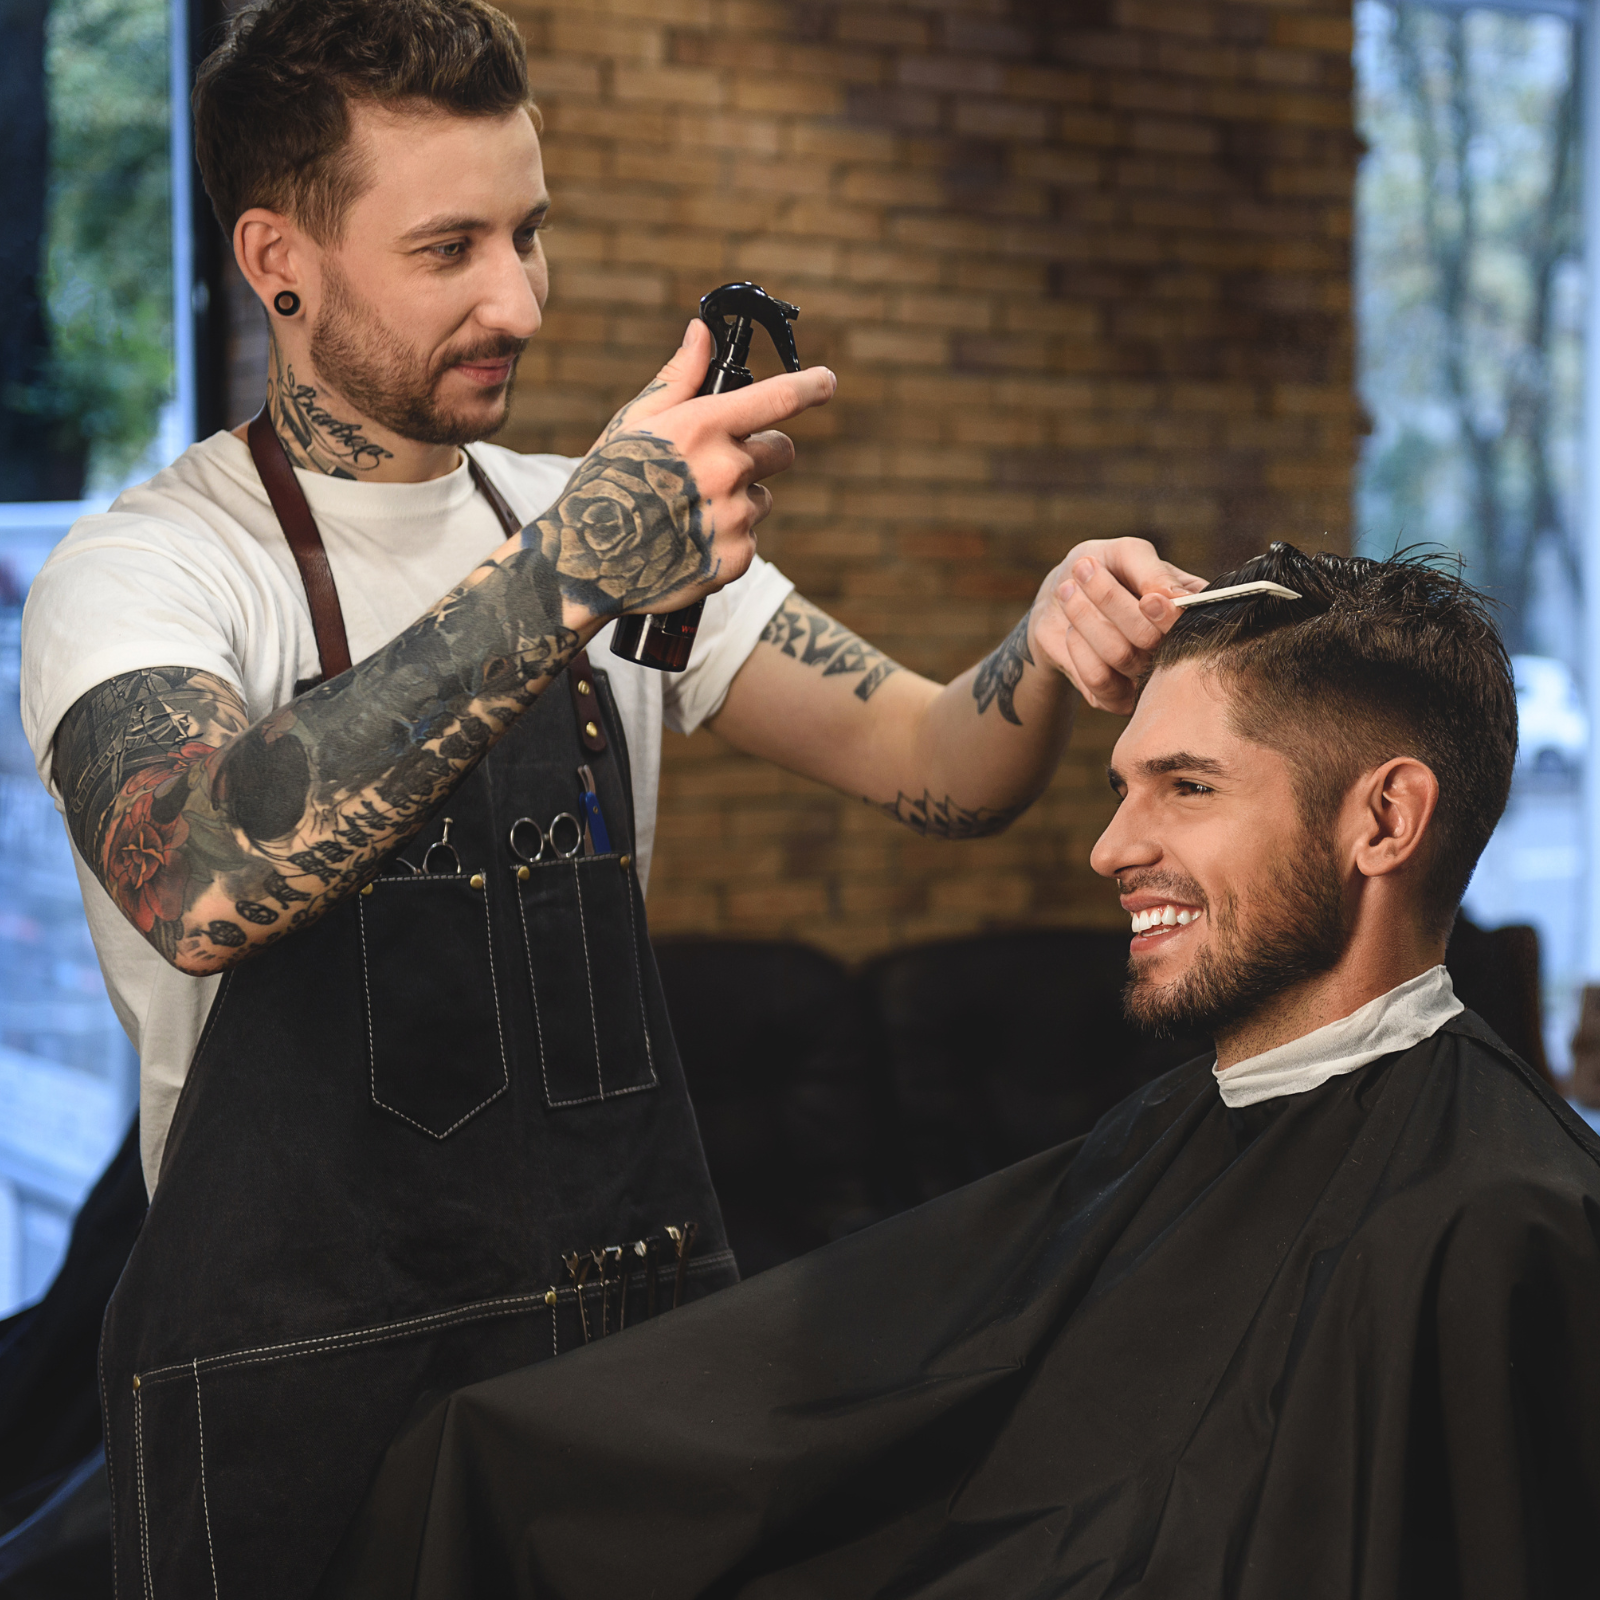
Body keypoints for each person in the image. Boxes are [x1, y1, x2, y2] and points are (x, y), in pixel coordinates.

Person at [15, 0, 1200, 1591]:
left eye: (529, 232)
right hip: (295, 1430)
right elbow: (197, 872)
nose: (517, 298)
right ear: (277, 259)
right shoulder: (153, 567)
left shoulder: (601, 520)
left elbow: (943, 767)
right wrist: (570, 572)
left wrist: (1044, 642)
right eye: (447, 249)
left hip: (608, 1384)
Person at [322, 544, 1600, 1600]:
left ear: (1384, 818)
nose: (1109, 848)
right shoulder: (1169, 1140)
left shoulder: (1507, 1222)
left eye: (1185, 786)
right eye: (1120, 787)